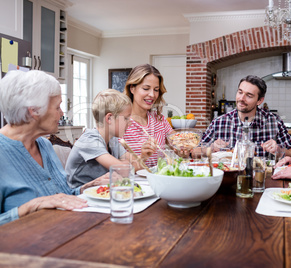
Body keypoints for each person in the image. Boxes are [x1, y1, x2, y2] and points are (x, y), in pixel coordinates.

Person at [0, 70, 108, 226]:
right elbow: (44, 203)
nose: (62, 113)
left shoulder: (43, 144)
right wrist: (30, 207)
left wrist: (89, 187)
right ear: (34, 110)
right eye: (57, 107)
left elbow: (62, 197)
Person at [195, 75, 291, 158]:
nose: (241, 98)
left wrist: (280, 150)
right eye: (240, 92)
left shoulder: (273, 122)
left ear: (260, 100)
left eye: (249, 95)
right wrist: (209, 149)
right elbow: (193, 151)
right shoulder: (219, 122)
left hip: (263, 180)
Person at [65, 89, 134, 188]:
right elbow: (124, 170)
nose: (130, 122)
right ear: (109, 118)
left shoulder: (112, 139)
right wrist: (124, 164)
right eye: (126, 118)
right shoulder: (90, 140)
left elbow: (132, 163)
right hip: (78, 196)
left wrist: (125, 164)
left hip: (100, 191)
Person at [122, 64, 173, 167]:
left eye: (156, 89)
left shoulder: (160, 119)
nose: (152, 95)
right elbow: (120, 166)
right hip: (133, 182)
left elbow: (178, 144)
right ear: (132, 88)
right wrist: (143, 156)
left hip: (159, 181)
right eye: (146, 88)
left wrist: (184, 147)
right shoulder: (120, 123)